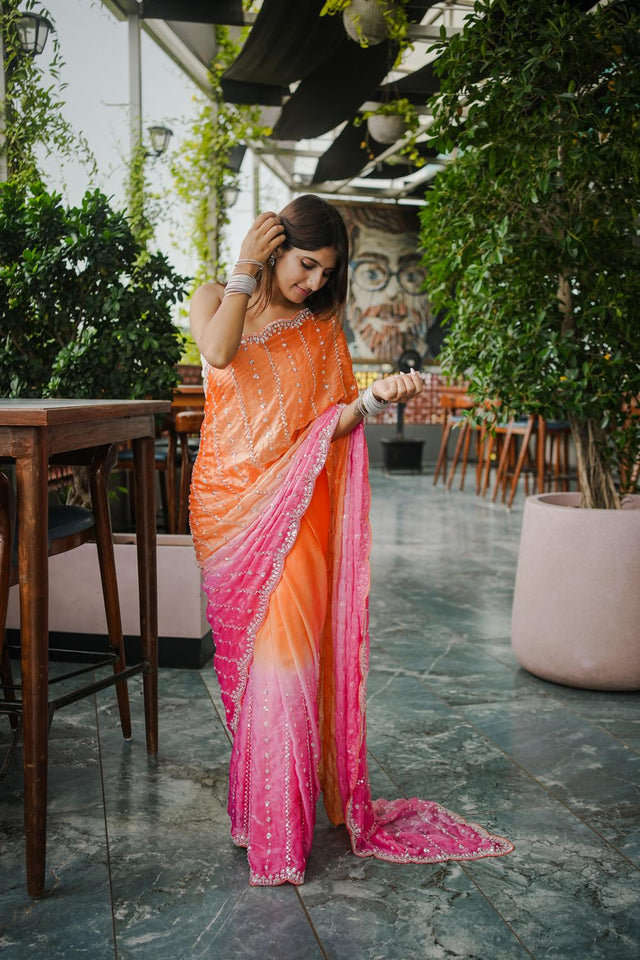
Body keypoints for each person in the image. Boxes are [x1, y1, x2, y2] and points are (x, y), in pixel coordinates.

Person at [188, 194, 513, 886]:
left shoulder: (320, 330)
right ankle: (257, 817)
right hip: (227, 512)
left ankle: (284, 833)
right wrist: (246, 266)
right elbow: (217, 351)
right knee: (250, 672)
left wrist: (373, 401)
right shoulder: (216, 296)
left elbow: (330, 422)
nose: (312, 283)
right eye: (305, 266)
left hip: (298, 504)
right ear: (274, 247)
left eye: (325, 273)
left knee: (286, 665)